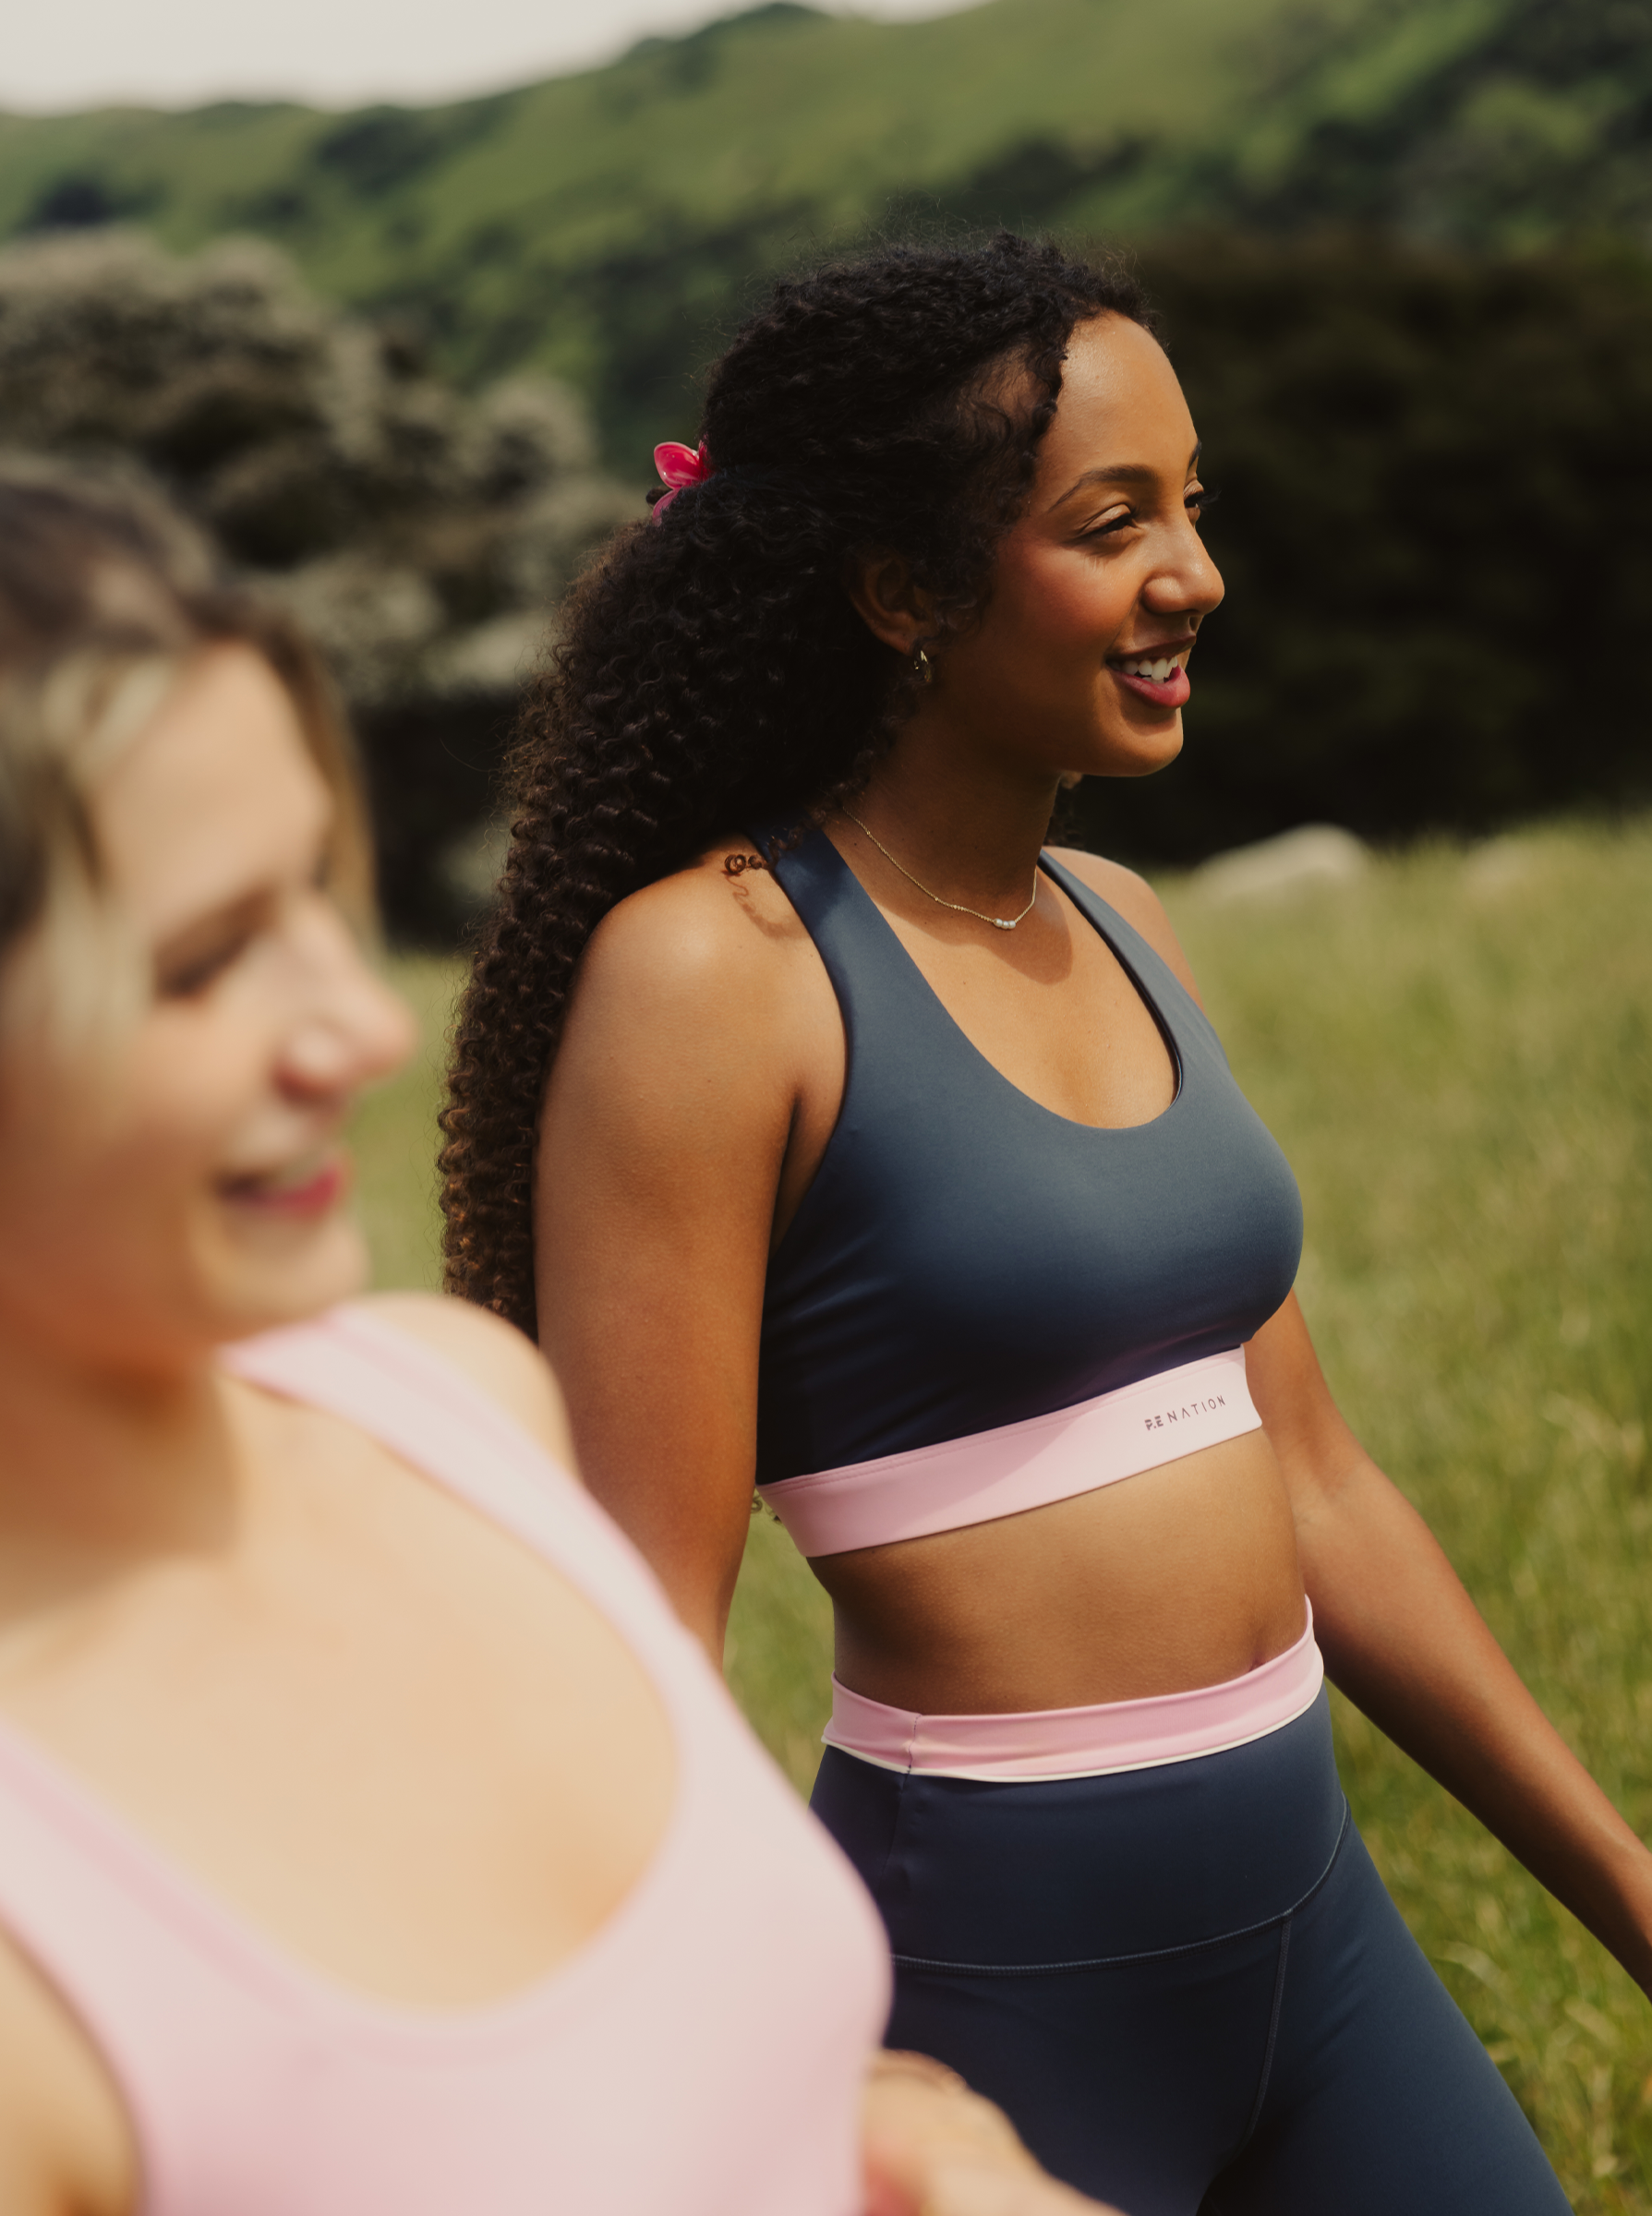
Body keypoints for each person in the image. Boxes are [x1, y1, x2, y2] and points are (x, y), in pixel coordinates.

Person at [440, 233, 1651, 2215]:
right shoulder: (719, 977)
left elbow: (1321, 1485)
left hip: (1321, 1947)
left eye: (1196, 504)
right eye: (1116, 522)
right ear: (903, 589)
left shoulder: (1126, 925)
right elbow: (647, 1639)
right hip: (993, 1998)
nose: (1198, 574)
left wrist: (1627, 1888)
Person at [0, 460, 1115, 2216]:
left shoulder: (459, 1416)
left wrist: (901, 2144)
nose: (364, 1030)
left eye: (319, 896)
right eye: (205, 964)